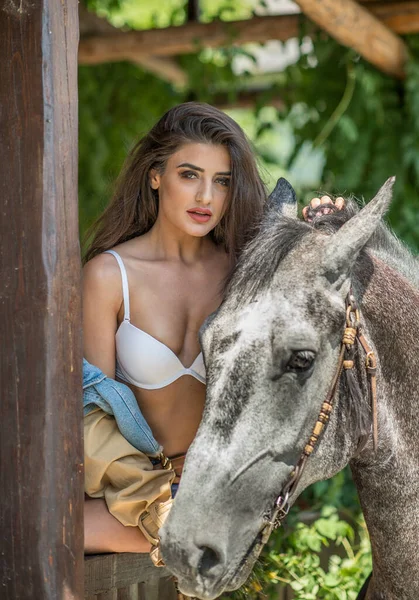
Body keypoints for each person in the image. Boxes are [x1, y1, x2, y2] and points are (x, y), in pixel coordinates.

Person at [82, 101, 344, 555]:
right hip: (131, 500)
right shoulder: (109, 275)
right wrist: (157, 511)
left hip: (221, 495)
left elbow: (308, 348)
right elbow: (91, 418)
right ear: (155, 175)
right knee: (43, 526)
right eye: (190, 175)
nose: (206, 197)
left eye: (221, 182)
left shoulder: (245, 276)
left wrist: (322, 233)